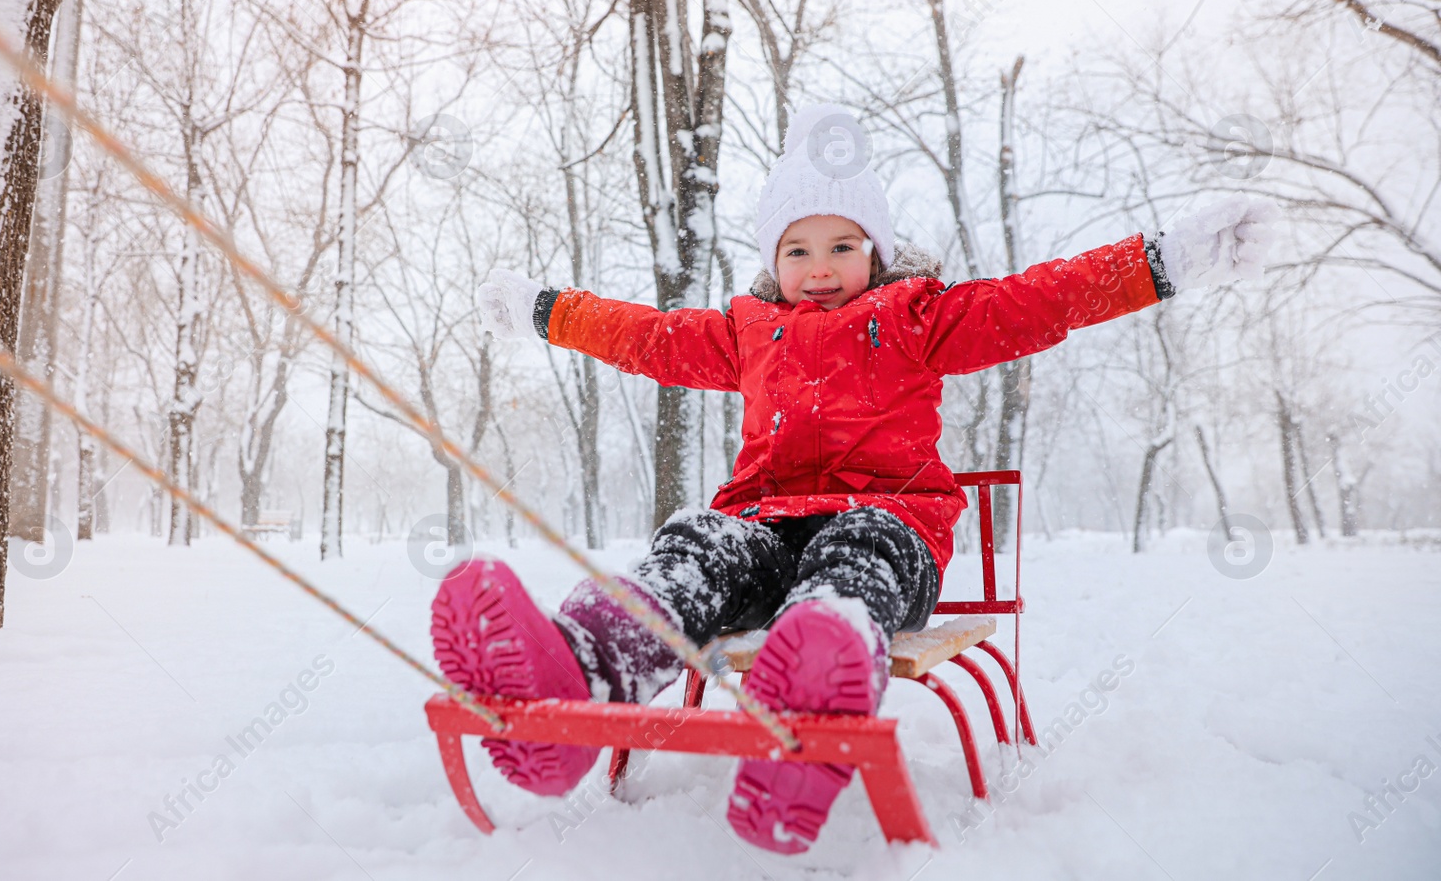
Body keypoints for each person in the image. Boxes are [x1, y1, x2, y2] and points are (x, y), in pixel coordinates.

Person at [431, 104, 1279, 854]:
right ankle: (576, 672)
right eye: (798, 248)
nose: (822, 265)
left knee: (857, 549)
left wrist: (1161, 260)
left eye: (843, 245)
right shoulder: (745, 330)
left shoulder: (921, 315)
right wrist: (550, 309)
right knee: (700, 542)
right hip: (766, 530)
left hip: (887, 526)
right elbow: (646, 336)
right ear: (773, 258)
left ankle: (819, 682)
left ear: (875, 250)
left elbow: (1037, 300)